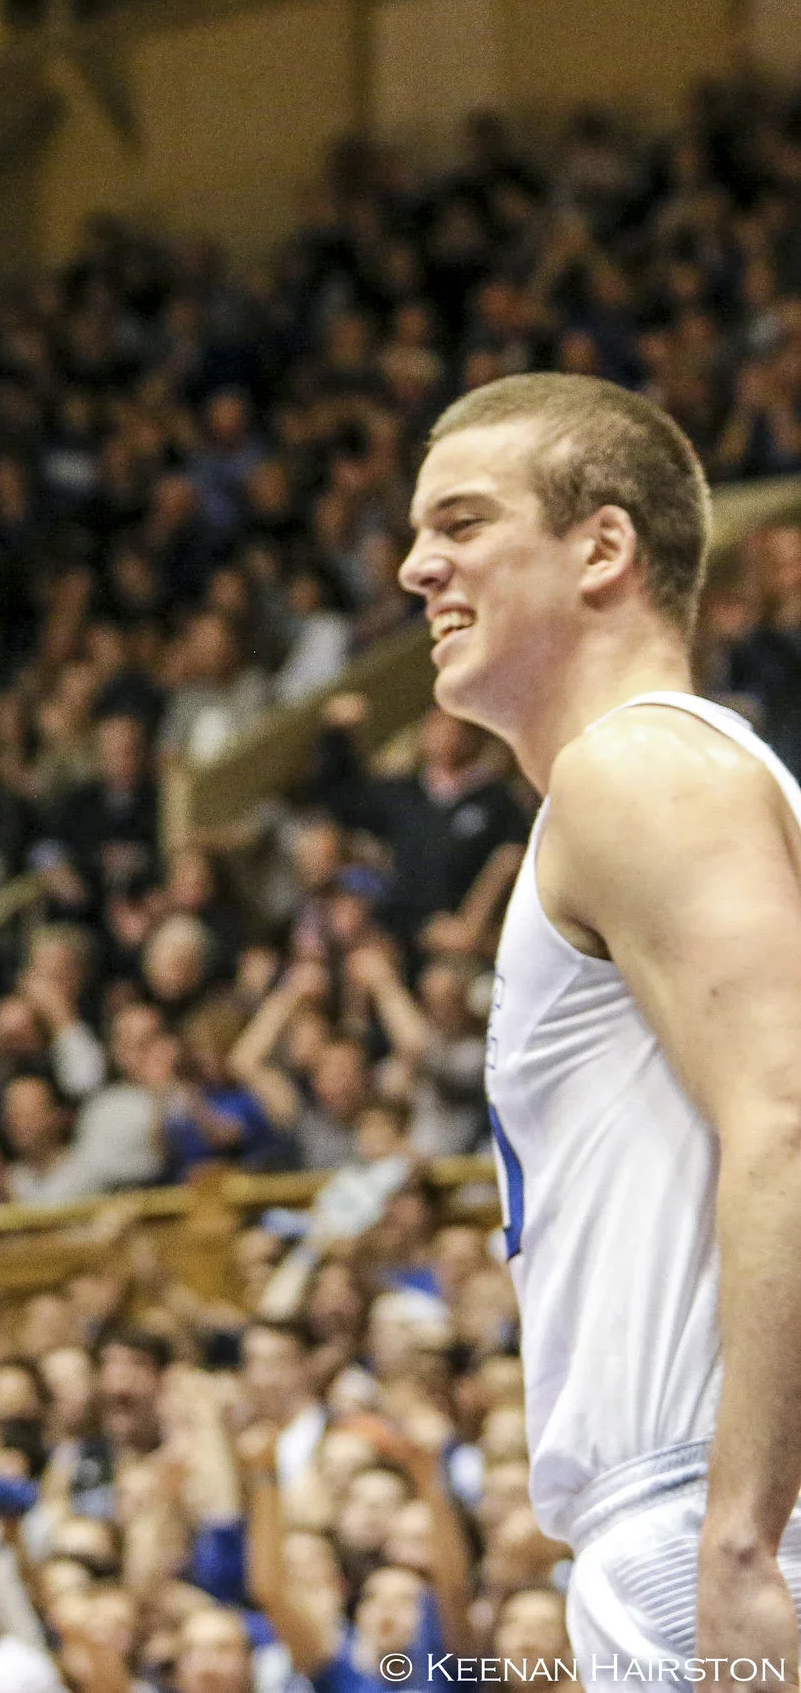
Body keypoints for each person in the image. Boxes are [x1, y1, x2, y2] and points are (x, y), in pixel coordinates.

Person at [398, 370, 801, 1673]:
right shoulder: (662, 778)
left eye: (461, 523)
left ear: (603, 547)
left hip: (711, 1499)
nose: (417, 566)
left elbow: (790, 1120)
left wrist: (741, 1535)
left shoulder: (635, 768)